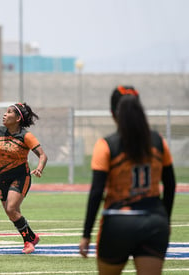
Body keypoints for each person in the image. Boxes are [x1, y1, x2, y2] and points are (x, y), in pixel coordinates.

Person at [79, 86, 176, 275]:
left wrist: (86, 234)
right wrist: (165, 219)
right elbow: (170, 185)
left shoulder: (106, 144)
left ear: (112, 113)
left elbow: (97, 192)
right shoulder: (158, 141)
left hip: (118, 223)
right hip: (154, 222)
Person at [0, 102, 48, 254]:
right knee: (11, 212)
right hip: (2, 177)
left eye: (9, 112)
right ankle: (32, 236)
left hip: (20, 176)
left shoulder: (26, 136)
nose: (5, 114)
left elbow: (42, 155)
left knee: (11, 208)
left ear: (17, 119)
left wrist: (40, 168)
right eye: (5, 111)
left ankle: (28, 242)